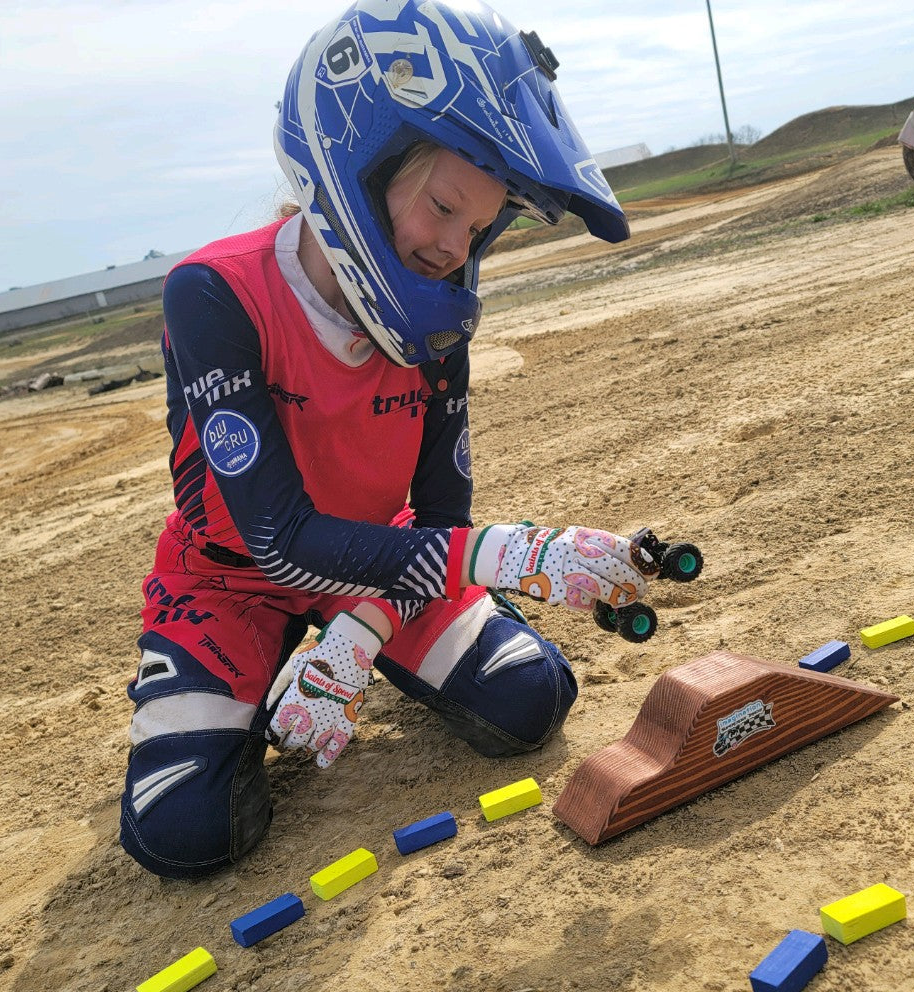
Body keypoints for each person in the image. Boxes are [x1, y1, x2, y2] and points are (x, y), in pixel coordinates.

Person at [119, 0, 652, 879]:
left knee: (531, 700)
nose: (453, 248)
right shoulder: (213, 292)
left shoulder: (436, 327)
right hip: (230, 578)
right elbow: (276, 537)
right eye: (443, 207)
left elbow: (441, 518)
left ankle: (325, 655)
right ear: (360, 165)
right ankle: (234, 686)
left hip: (380, 563)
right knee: (185, 830)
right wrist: (512, 554)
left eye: (476, 228)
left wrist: (358, 634)